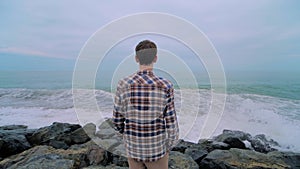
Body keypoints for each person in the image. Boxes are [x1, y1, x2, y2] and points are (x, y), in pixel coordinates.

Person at [112, 40, 179, 169]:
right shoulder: (165, 85)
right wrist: (169, 145)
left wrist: (126, 139)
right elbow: (171, 122)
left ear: (136, 58)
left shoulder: (123, 84)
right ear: (155, 58)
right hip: (157, 148)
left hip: (133, 147)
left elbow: (117, 120)